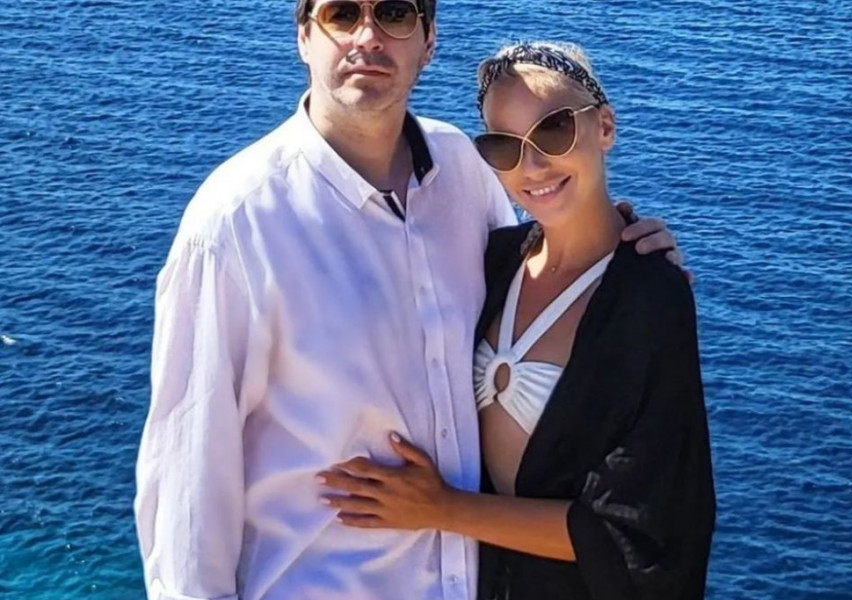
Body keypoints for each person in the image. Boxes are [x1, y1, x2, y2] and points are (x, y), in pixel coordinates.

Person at [133, 1, 682, 598]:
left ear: (429, 40)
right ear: (304, 37)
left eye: (395, 12)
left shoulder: (464, 170)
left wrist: (625, 255)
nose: (368, 36)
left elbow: (532, 282)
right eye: (342, 14)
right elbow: (187, 474)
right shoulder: (235, 225)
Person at [317, 41, 715, 600]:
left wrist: (442, 508)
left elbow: (639, 529)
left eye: (554, 131)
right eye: (503, 146)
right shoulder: (493, 260)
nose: (532, 166)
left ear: (604, 126)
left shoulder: (650, 298)